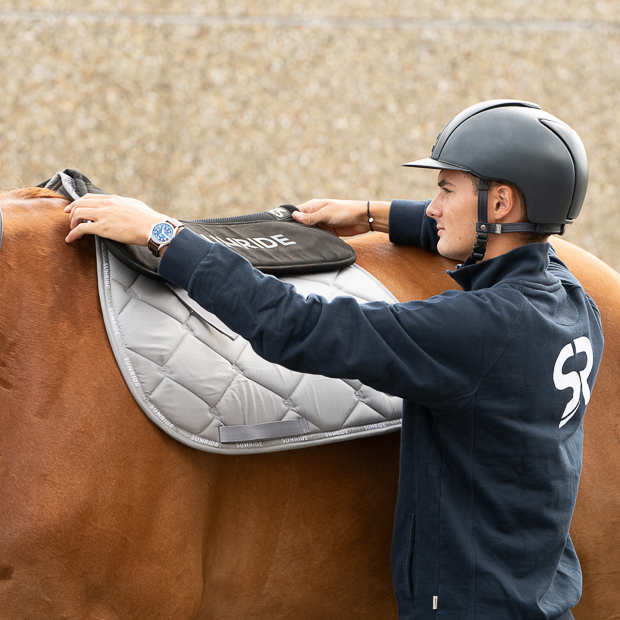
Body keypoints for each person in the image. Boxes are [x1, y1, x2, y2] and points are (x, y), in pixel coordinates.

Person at [65, 99, 603, 620]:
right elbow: (483, 236)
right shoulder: (569, 297)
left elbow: (297, 326)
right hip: (540, 595)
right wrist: (371, 215)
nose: (434, 207)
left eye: (445, 190)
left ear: (501, 203)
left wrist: (163, 235)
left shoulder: (480, 329)